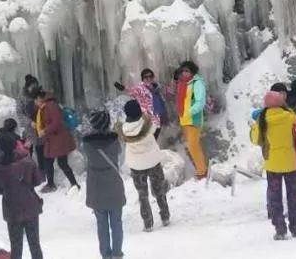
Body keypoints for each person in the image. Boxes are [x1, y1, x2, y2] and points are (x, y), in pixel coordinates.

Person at [251, 89, 296, 239]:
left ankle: (280, 229)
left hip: (272, 163)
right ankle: (295, 227)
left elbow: (255, 139)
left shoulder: (262, 120)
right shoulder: (291, 117)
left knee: (275, 197)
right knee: (293, 195)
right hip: (292, 161)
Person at [0, 129, 45, 259]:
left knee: (16, 246)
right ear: (15, 144)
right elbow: (37, 180)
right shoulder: (26, 160)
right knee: (35, 244)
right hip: (30, 206)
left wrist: (7, 188)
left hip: (12, 209)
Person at [119, 99, 170, 232]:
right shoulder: (148, 123)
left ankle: (148, 223)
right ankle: (165, 217)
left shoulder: (124, 130)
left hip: (136, 166)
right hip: (153, 161)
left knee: (142, 195)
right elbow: (155, 127)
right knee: (159, 190)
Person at [84, 110, 125, 259]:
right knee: (116, 222)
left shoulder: (87, 144)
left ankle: (105, 254)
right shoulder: (114, 141)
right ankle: (117, 253)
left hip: (96, 188)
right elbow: (119, 153)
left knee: (101, 224)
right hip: (113, 185)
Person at [33, 91, 79, 192]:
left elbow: (57, 122)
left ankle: (73, 184)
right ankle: (54, 184)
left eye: (36, 100)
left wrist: (45, 130)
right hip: (53, 140)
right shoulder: (46, 107)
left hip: (58, 140)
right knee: (50, 161)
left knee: (61, 163)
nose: (35, 103)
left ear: (40, 98)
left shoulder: (51, 106)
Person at [176, 61, 208, 179]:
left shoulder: (197, 83)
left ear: (192, 71)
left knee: (193, 147)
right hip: (184, 120)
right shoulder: (184, 83)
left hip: (193, 119)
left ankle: (202, 172)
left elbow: (200, 102)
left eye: (187, 71)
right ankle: (201, 169)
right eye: (183, 70)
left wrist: (189, 112)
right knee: (194, 146)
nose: (184, 73)